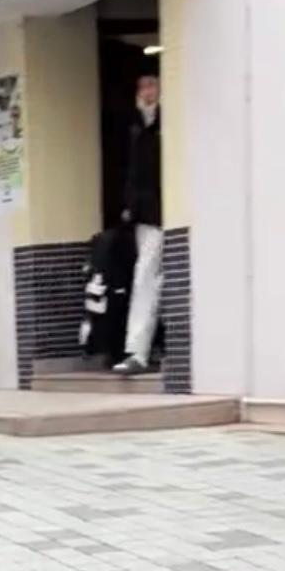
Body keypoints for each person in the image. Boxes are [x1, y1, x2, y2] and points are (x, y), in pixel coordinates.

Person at [115, 71, 163, 377]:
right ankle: (138, 351)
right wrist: (130, 206)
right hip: (147, 214)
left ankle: (146, 349)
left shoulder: (166, 121)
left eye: (152, 84)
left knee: (152, 277)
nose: (147, 91)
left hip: (170, 207)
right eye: (142, 86)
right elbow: (131, 170)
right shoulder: (134, 125)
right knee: (145, 275)